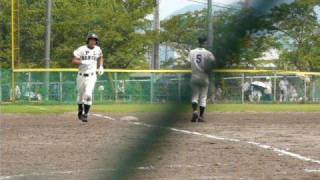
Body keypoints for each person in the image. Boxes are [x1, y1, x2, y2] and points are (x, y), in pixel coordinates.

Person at [72, 33, 104, 122]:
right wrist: (82, 61)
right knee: (80, 95)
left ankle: (85, 114)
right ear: (88, 41)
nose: (93, 41)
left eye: (94, 40)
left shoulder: (98, 49)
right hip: (81, 75)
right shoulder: (81, 49)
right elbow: (74, 61)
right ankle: (80, 111)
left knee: (88, 94)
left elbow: (101, 57)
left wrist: (101, 66)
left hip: (92, 76)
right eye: (91, 40)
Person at [188, 37, 215, 122]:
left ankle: (195, 111)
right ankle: (201, 116)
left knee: (194, 96)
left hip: (194, 76)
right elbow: (214, 62)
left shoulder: (192, 52)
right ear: (205, 43)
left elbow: (188, 62)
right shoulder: (208, 53)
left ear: (198, 42)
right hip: (204, 76)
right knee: (203, 97)